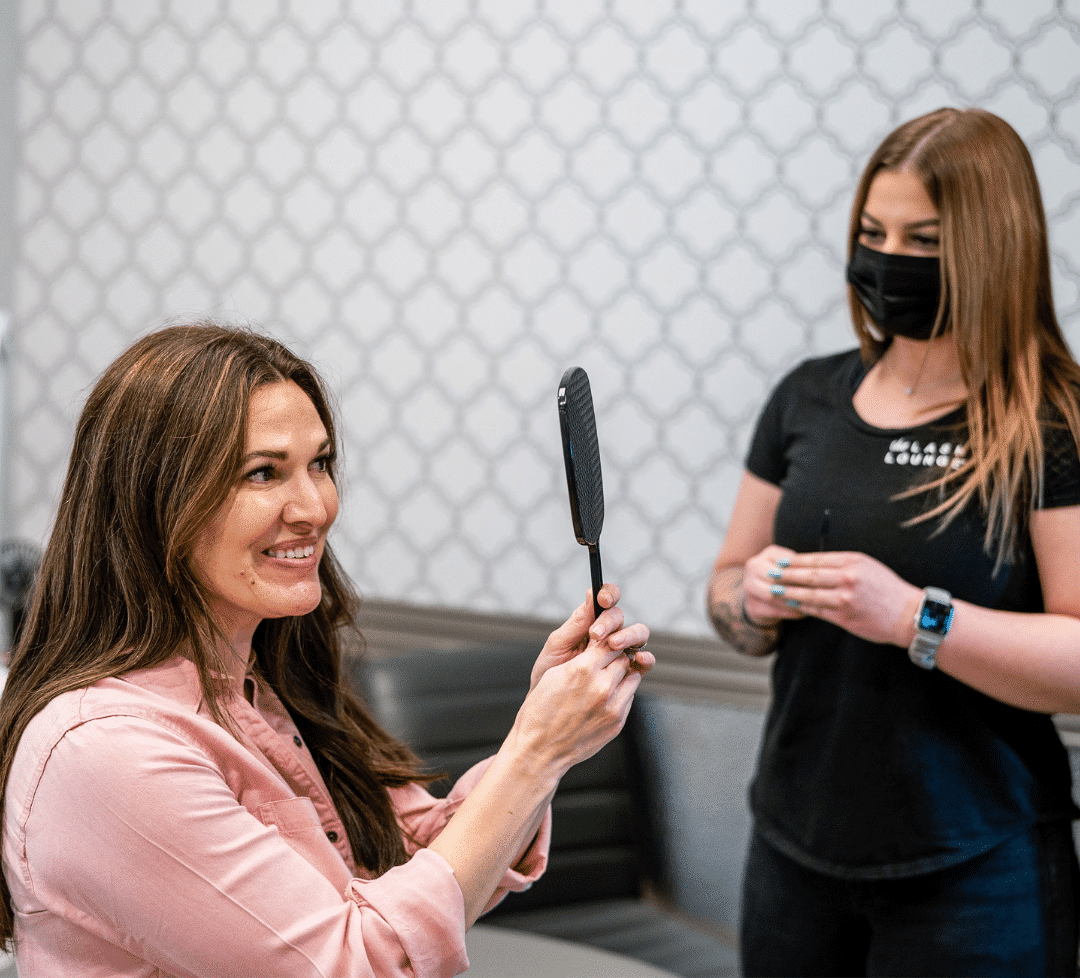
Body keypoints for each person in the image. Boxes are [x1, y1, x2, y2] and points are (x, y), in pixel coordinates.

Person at [0, 323, 654, 977]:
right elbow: (356, 962)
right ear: (155, 501)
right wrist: (537, 753)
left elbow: (423, 868)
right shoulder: (105, 753)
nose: (315, 506)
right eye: (264, 473)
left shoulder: (265, 688)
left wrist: (546, 729)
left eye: (319, 464)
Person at [708, 107, 1080, 977]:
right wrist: (749, 598)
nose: (886, 258)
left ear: (990, 247)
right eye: (873, 231)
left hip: (977, 870)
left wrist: (916, 617)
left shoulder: (1052, 424)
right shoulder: (806, 398)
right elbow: (727, 590)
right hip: (794, 851)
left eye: (922, 238)